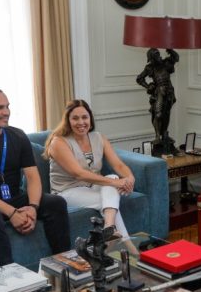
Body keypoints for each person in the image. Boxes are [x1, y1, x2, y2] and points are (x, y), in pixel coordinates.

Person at [0, 87, 71, 266]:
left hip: (14, 198)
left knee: (56, 203)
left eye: (7, 106)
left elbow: (32, 177)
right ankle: (7, 273)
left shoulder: (18, 136)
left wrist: (32, 207)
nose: (6, 112)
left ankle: (63, 265)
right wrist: (12, 213)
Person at [44, 99, 135, 240]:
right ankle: (127, 245)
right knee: (108, 200)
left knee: (113, 177)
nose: (81, 122)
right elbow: (78, 174)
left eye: (84, 117)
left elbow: (118, 165)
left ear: (90, 119)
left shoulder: (98, 138)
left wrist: (130, 178)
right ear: (68, 121)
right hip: (67, 191)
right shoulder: (58, 142)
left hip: (92, 186)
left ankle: (109, 228)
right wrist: (117, 183)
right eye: (75, 118)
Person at [136, 47, 180, 155]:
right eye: (156, 54)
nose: (159, 55)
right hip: (159, 92)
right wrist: (148, 86)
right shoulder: (150, 67)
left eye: (158, 53)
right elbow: (139, 78)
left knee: (166, 114)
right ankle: (157, 136)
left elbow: (176, 58)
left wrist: (170, 49)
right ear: (151, 58)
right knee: (158, 114)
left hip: (169, 92)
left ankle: (164, 134)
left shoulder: (165, 63)